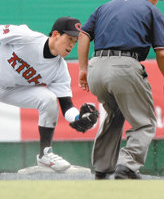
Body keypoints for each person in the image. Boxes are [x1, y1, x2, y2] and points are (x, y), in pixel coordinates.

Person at [78, 0, 164, 180]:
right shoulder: (152, 10)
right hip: (124, 66)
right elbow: (162, 52)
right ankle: (128, 165)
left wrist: (83, 68)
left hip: (96, 67)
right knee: (144, 122)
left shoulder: (105, 6)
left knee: (114, 113)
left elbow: (84, 34)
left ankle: (102, 167)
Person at [0, 17, 98, 172]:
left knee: (49, 99)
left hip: (11, 90)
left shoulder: (59, 69)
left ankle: (45, 155)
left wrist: (79, 118)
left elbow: (66, 106)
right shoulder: (26, 37)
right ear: (55, 34)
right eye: (69, 38)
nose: (72, 44)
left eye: (75, 41)